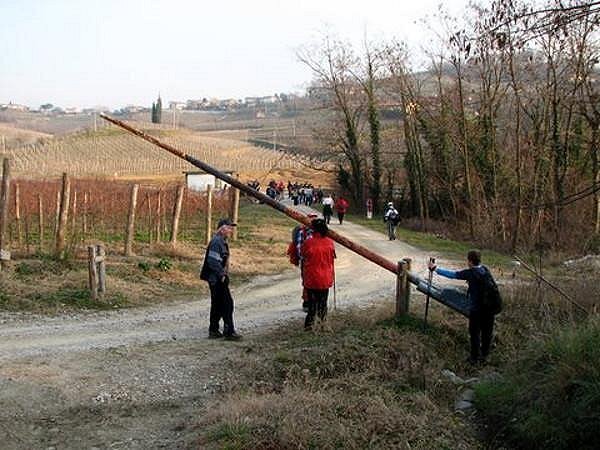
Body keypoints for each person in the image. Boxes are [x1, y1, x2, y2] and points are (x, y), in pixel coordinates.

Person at [428, 250, 497, 364]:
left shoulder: (470, 273)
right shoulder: (485, 270)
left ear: (470, 261)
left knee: (474, 334)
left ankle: (474, 359)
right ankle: (485, 357)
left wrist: (435, 269)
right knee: (487, 333)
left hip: (477, 310)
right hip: (490, 309)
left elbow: (453, 275)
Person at [200, 218, 242, 340]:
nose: (231, 230)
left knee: (217, 304)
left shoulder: (221, 241)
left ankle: (213, 330)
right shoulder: (217, 242)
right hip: (216, 278)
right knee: (227, 304)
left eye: (231, 228)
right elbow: (212, 261)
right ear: (221, 228)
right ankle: (229, 332)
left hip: (216, 278)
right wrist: (222, 275)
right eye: (229, 228)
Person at [301, 218, 336, 330]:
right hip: (325, 278)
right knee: (323, 303)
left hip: (311, 278)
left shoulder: (308, 243)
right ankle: (323, 324)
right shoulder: (330, 242)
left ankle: (309, 327)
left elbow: (303, 256)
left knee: (312, 305)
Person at [286, 213, 318, 312]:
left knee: (315, 282)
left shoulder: (317, 233)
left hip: (314, 261)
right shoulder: (302, 232)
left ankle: (313, 303)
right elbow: (300, 250)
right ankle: (307, 303)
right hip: (307, 262)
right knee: (308, 283)